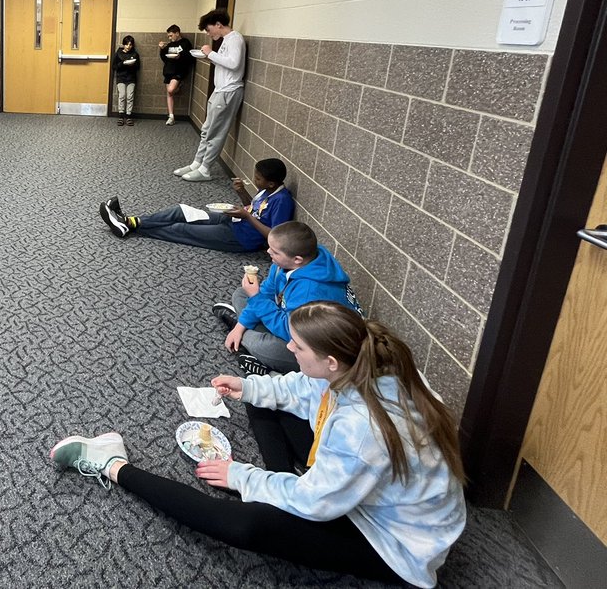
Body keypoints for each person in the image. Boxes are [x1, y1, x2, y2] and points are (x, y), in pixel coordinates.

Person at [49, 301, 466, 588]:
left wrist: (243, 476)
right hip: (360, 488)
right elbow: (304, 389)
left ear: (332, 362)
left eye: (298, 346)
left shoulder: (362, 430)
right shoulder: (367, 364)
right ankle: (281, 479)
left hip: (394, 544)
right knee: (263, 403)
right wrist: (246, 386)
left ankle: (110, 463)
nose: (288, 348)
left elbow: (316, 503)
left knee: (242, 523)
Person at [213, 221, 360, 375]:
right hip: (290, 323)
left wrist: (255, 301)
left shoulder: (309, 291)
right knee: (241, 294)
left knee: (256, 343)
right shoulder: (284, 263)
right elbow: (267, 292)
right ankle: (243, 331)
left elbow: (292, 332)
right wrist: (239, 327)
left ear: (297, 259)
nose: (268, 252)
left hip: (316, 348)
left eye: (275, 252)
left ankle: (266, 365)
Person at [98, 158, 293, 252]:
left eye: (258, 179)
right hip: (233, 221)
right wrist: (241, 192)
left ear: (271, 183)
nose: (254, 180)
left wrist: (247, 216)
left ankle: (129, 226)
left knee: (181, 229)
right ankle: (130, 221)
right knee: (181, 211)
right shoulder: (267, 190)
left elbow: (275, 238)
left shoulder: (282, 201)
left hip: (240, 238)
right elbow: (254, 208)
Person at [176, 9, 246, 181]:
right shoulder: (226, 40)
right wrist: (210, 57)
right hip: (220, 90)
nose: (208, 34)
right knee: (207, 129)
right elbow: (225, 62)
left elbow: (234, 64)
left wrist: (210, 53)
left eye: (208, 30)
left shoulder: (235, 38)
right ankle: (197, 163)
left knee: (216, 131)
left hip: (229, 91)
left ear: (218, 24)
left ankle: (205, 169)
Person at [157, 24, 194, 125]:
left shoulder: (185, 43)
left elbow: (190, 58)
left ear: (177, 33)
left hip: (179, 71)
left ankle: (179, 86)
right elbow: (165, 58)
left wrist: (179, 57)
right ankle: (171, 116)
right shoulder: (169, 45)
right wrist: (161, 49)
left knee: (171, 90)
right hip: (168, 71)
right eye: (168, 36)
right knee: (169, 94)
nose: (169, 38)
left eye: (171, 35)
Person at [111, 35, 140, 125]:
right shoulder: (118, 54)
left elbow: (138, 67)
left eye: (130, 45)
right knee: (122, 96)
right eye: (127, 44)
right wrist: (123, 63)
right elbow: (114, 67)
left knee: (130, 97)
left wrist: (132, 65)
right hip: (121, 77)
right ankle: (121, 116)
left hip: (131, 78)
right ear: (123, 45)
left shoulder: (135, 54)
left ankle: (129, 116)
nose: (128, 46)